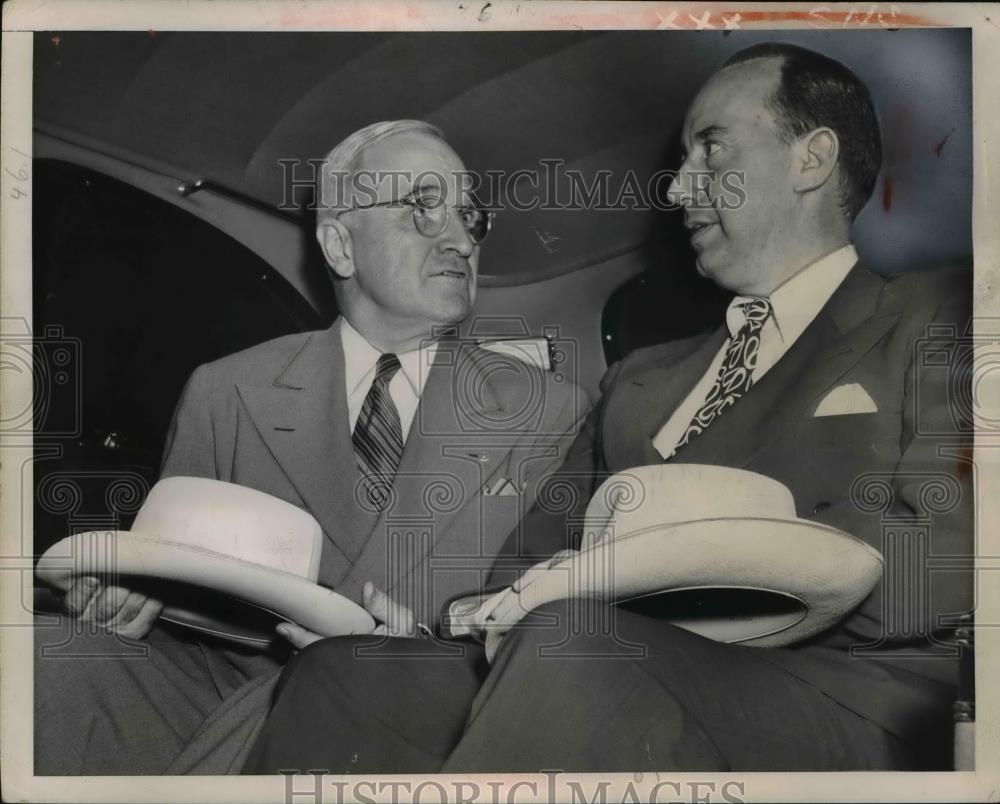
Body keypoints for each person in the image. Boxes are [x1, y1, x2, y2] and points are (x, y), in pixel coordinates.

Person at [246, 44, 973, 773]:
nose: (680, 188)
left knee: (578, 645)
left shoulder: (942, 317)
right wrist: (452, 626)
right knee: (347, 674)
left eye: (711, 150)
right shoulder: (640, 380)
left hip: (851, 700)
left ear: (811, 159)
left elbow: (946, 558)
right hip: (601, 659)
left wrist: (663, 581)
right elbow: (521, 569)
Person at [34, 120, 588, 774]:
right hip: (228, 696)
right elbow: (179, 599)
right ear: (339, 245)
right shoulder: (226, 391)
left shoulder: (548, 408)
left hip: (414, 712)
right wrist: (126, 598)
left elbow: (536, 637)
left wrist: (408, 651)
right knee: (44, 657)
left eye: (470, 215)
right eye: (423, 207)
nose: (461, 237)